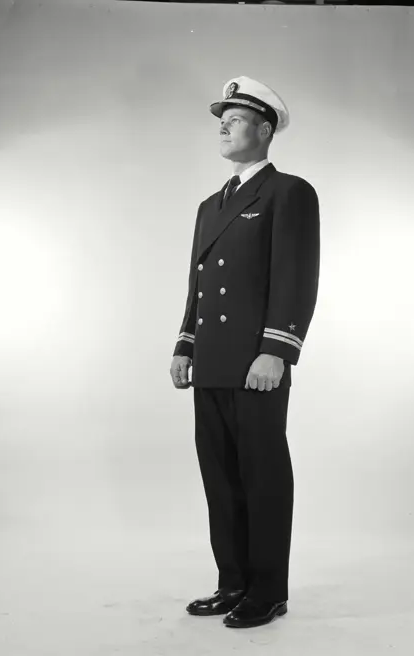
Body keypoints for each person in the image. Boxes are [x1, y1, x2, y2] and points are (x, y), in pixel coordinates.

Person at [169, 76, 320, 629]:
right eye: (221, 119)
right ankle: (232, 582)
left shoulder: (289, 192)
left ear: (263, 128)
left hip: (257, 363)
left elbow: (296, 276)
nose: (223, 126)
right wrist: (185, 343)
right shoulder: (212, 204)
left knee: (261, 474)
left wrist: (276, 349)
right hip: (211, 361)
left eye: (233, 118)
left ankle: (267, 590)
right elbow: (199, 283)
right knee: (220, 477)